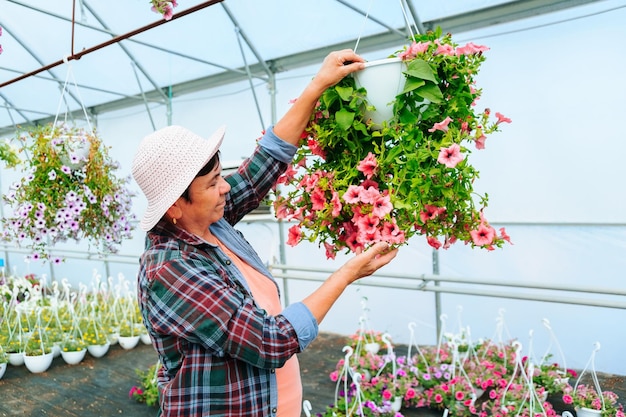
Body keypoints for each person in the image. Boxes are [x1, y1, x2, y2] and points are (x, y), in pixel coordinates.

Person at [131, 49, 399, 417]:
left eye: (220, 176)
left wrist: (317, 86)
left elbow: (263, 165)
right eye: (213, 183)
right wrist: (348, 274)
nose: (225, 187)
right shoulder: (170, 269)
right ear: (175, 206)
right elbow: (269, 341)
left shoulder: (210, 221)